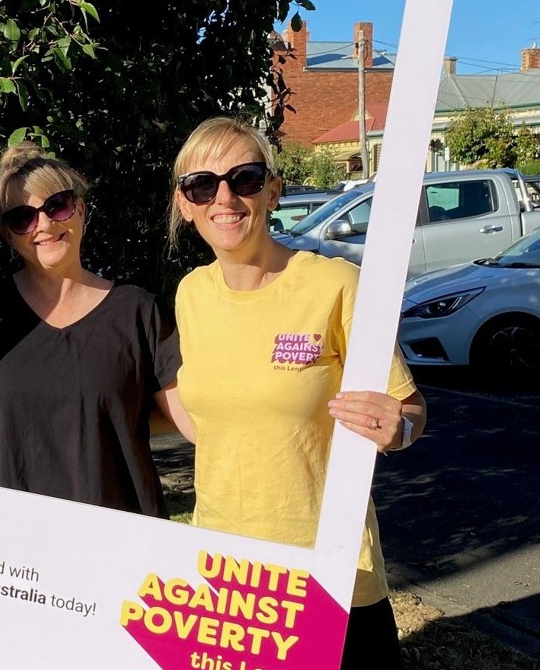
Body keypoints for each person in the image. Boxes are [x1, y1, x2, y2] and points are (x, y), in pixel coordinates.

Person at [164, 116, 428, 670]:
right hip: (228, 576)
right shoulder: (190, 294)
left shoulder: (336, 285)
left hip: (330, 570)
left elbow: (408, 409)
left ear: (274, 189)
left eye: (246, 177)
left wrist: (400, 429)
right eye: (203, 185)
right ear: (185, 204)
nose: (226, 198)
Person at [0, 141, 179, 516]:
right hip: (12, 549)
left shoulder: (136, 311)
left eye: (57, 206)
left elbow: (200, 419)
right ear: (7, 233)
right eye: (23, 217)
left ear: (80, 209)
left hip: (120, 546)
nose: (46, 225)